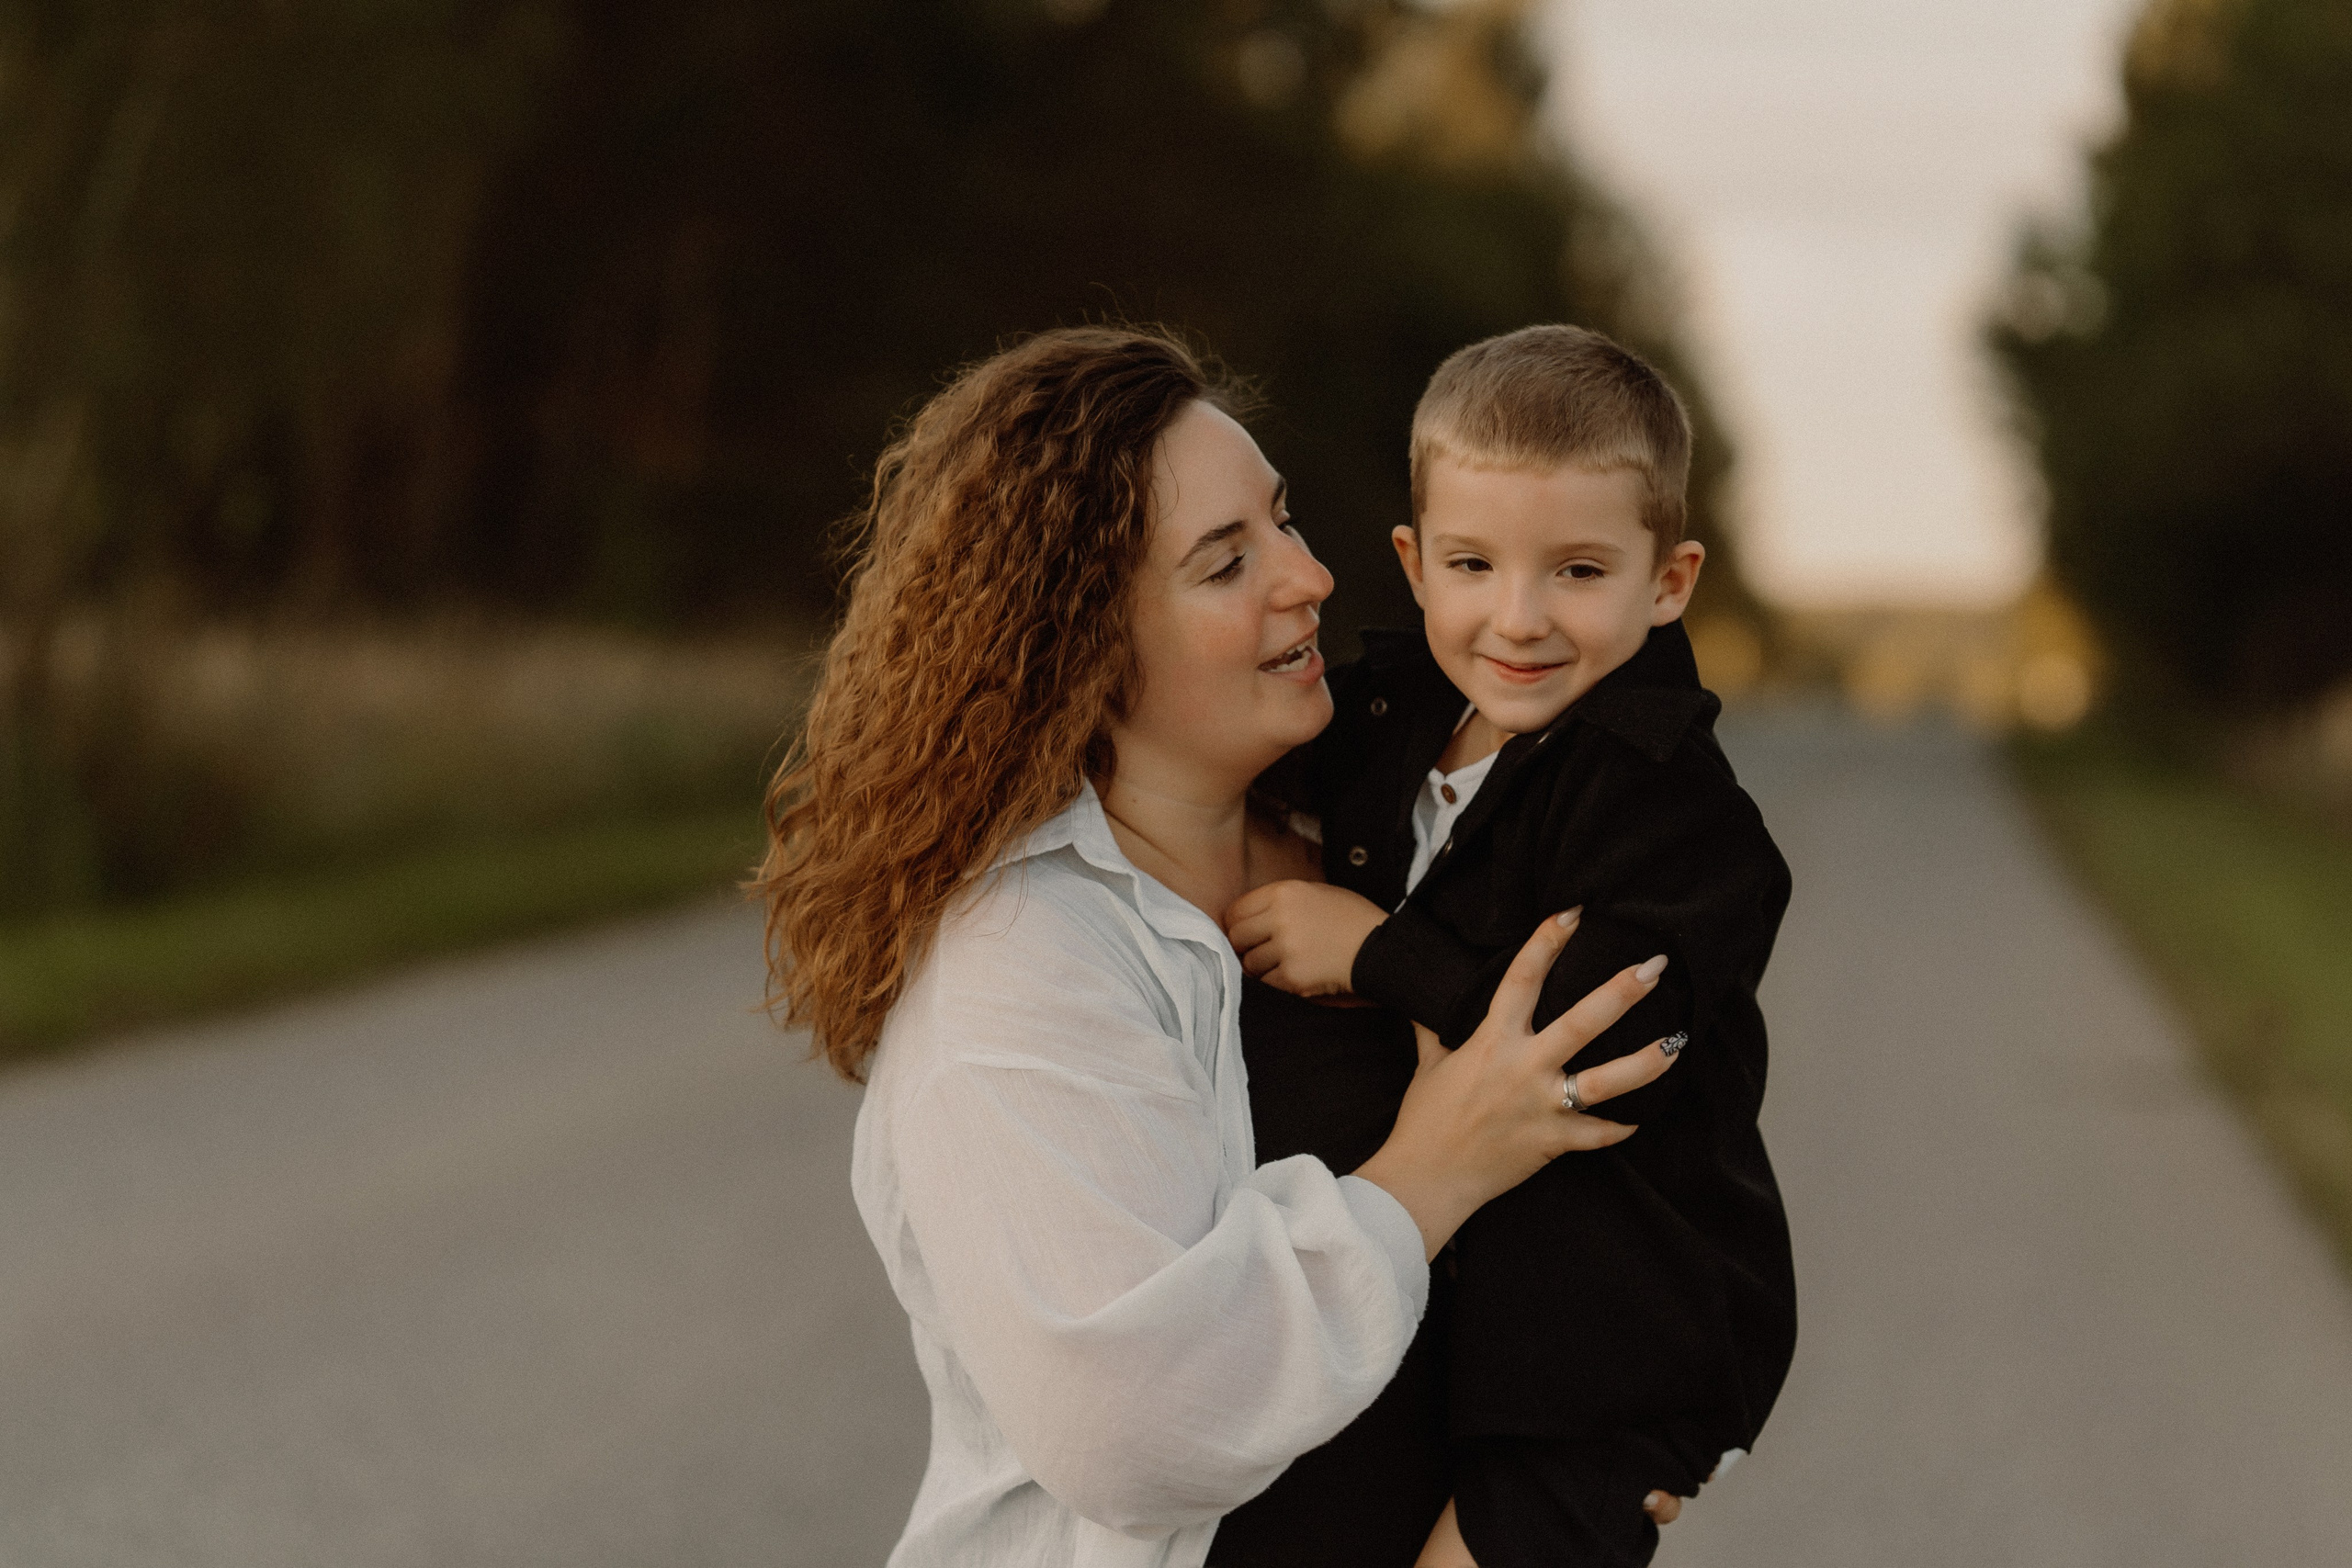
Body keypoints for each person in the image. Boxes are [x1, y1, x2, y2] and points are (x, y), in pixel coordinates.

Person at [756, 326, 1689, 1568]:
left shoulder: (1384, 848)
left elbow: (1653, 1156)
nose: (1308, 578)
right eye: (1224, 563)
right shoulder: (1019, 966)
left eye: (1286, 523)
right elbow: (1130, 1428)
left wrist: (1632, 1437)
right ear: (1082, 644)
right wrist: (1430, 1172)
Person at [1227, 324, 1798, 1568]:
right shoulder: (1390, 726)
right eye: (1474, 563)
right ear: (1413, 561)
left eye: (1580, 573)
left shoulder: (1670, 801)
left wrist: (1377, 954)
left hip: (1606, 1364)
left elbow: (1615, 1032)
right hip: (1455, 1342)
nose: (1519, 618)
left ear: (1670, 579)